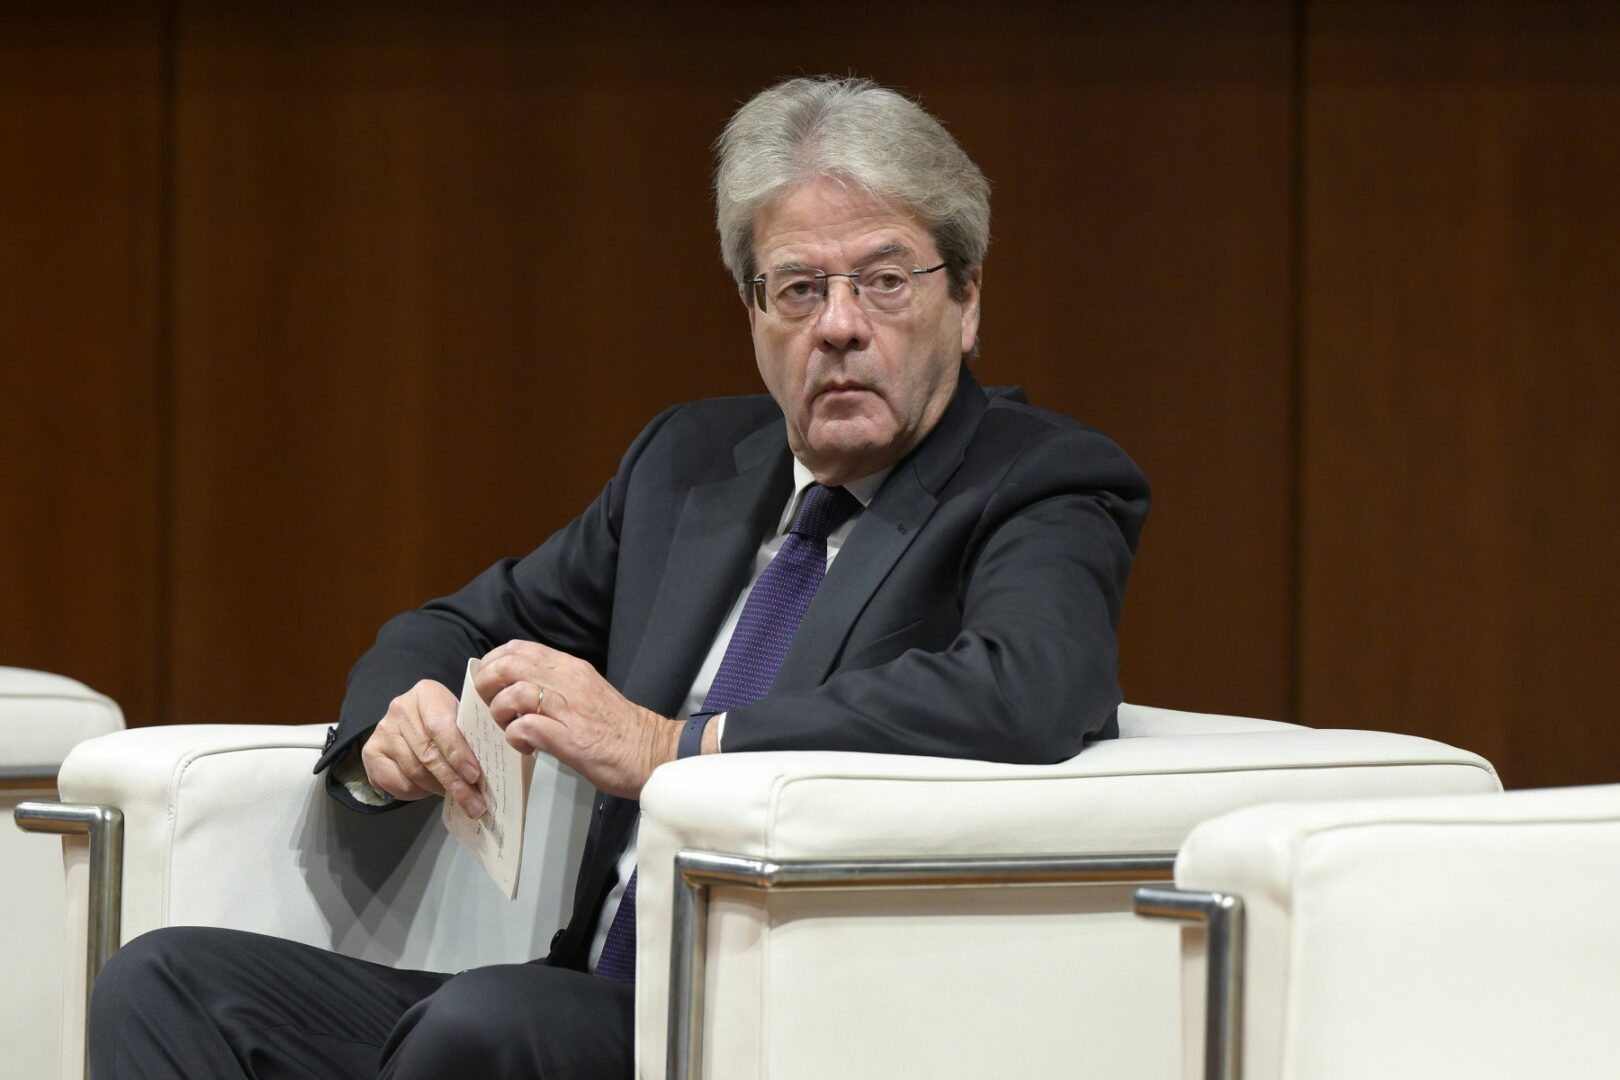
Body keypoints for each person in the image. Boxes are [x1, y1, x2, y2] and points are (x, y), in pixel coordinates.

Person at [88, 75, 1149, 1079]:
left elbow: (1030, 684)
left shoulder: (1037, 480)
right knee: (167, 983)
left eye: (883, 280)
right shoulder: (687, 469)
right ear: (753, 315)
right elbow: (464, 622)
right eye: (798, 288)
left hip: (784, 1029)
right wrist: (392, 734)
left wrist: (673, 749)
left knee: (487, 1023)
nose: (838, 325)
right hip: (588, 1006)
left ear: (965, 301)